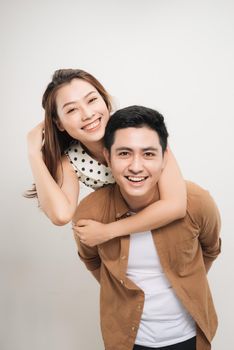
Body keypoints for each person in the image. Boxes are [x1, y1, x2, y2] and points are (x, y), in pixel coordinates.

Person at [73, 105, 221, 350]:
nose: (136, 166)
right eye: (124, 153)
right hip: (126, 340)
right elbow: (90, 259)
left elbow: (211, 248)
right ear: (108, 157)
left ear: (165, 158)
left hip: (189, 338)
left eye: (149, 154)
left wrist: (186, 282)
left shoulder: (196, 202)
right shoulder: (90, 213)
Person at [26, 69, 186, 246]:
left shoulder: (138, 128)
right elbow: (61, 215)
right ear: (59, 123)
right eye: (72, 110)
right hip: (127, 245)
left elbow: (176, 205)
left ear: (105, 101)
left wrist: (108, 231)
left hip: (171, 230)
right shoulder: (71, 161)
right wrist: (34, 154)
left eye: (92, 100)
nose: (87, 114)